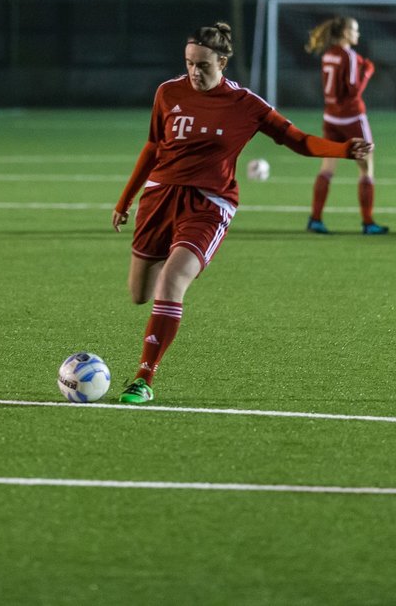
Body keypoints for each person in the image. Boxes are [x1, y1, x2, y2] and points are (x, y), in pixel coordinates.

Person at [111, 22, 372, 404]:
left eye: (203, 65)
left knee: (171, 283)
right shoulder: (168, 93)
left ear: (223, 62)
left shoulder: (246, 104)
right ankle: (177, 257)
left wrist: (343, 149)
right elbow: (152, 148)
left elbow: (297, 140)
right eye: (188, 64)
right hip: (159, 198)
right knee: (139, 294)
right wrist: (125, 199)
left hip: (208, 204)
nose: (194, 73)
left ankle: (143, 379)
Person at [303, 15, 387, 235]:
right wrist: (367, 72)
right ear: (345, 33)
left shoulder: (329, 54)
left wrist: (359, 62)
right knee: (366, 170)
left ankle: (315, 219)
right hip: (352, 119)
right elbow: (352, 92)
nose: (358, 34)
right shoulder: (348, 57)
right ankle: (368, 223)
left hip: (331, 119)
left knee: (327, 169)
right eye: (355, 30)